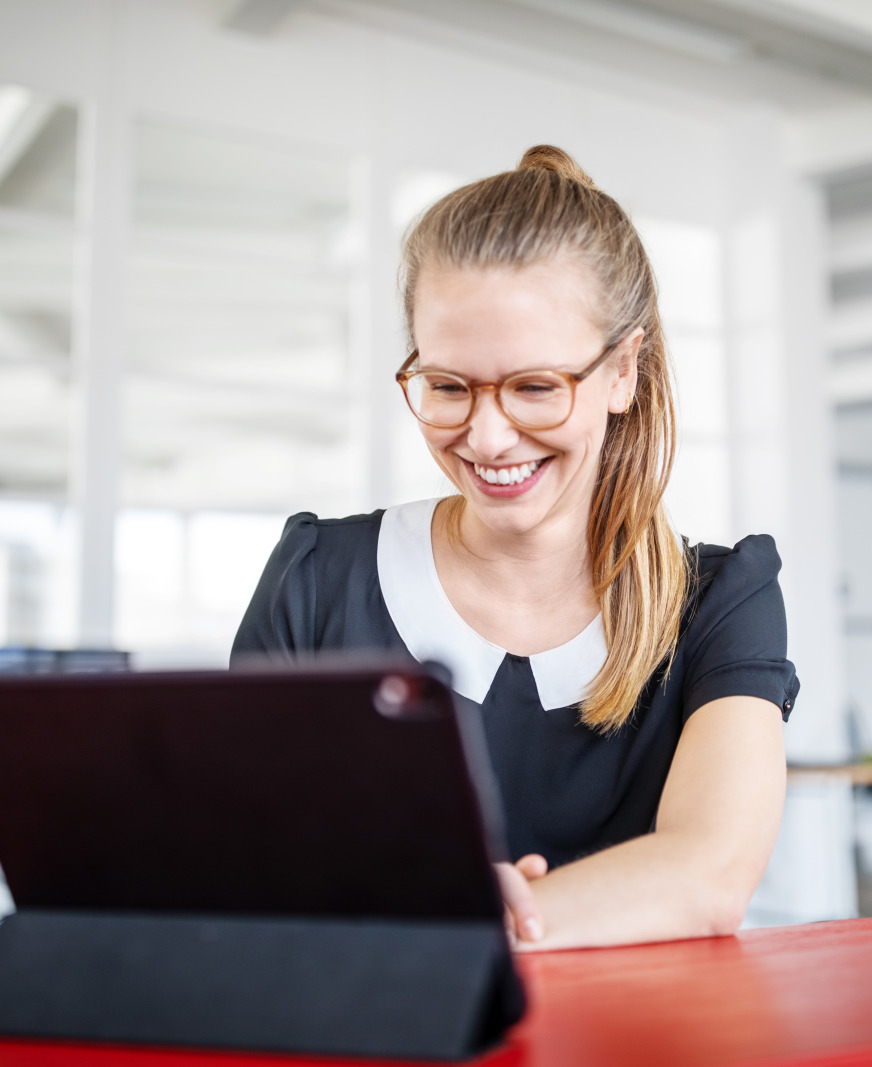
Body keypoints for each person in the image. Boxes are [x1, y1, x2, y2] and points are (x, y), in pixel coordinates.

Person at [233, 145, 798, 951]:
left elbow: (709, 874)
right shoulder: (318, 580)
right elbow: (236, 856)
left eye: (536, 386)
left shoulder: (719, 601)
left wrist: (462, 911)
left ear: (623, 371)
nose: (488, 435)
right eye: (449, 386)